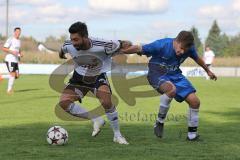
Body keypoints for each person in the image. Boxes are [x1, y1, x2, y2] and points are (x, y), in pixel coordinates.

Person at [121, 31, 217, 141]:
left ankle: (192, 136)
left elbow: (197, 58)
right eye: (181, 48)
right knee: (171, 89)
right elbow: (139, 48)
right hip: (157, 73)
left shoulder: (189, 48)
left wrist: (208, 71)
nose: (182, 52)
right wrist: (121, 50)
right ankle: (160, 122)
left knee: (195, 102)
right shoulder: (161, 44)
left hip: (175, 74)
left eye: (185, 50)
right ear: (176, 41)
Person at [58, 21, 130, 144]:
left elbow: (124, 44)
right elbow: (62, 50)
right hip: (79, 78)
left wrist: (135, 47)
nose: (73, 43)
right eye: (72, 39)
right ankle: (96, 119)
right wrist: (61, 55)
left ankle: (117, 135)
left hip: (97, 76)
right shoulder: (69, 44)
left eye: (76, 39)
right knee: (64, 103)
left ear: (85, 37)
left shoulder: (103, 45)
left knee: (107, 102)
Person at [0, 27, 23, 94]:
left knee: (17, 75)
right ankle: (9, 90)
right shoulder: (10, 39)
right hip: (10, 59)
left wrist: (20, 56)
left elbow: (18, 50)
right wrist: (12, 52)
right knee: (12, 74)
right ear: (14, 32)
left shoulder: (19, 41)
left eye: (19, 32)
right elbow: (4, 48)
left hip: (15, 60)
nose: (18, 33)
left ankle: (2, 76)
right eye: (17, 32)